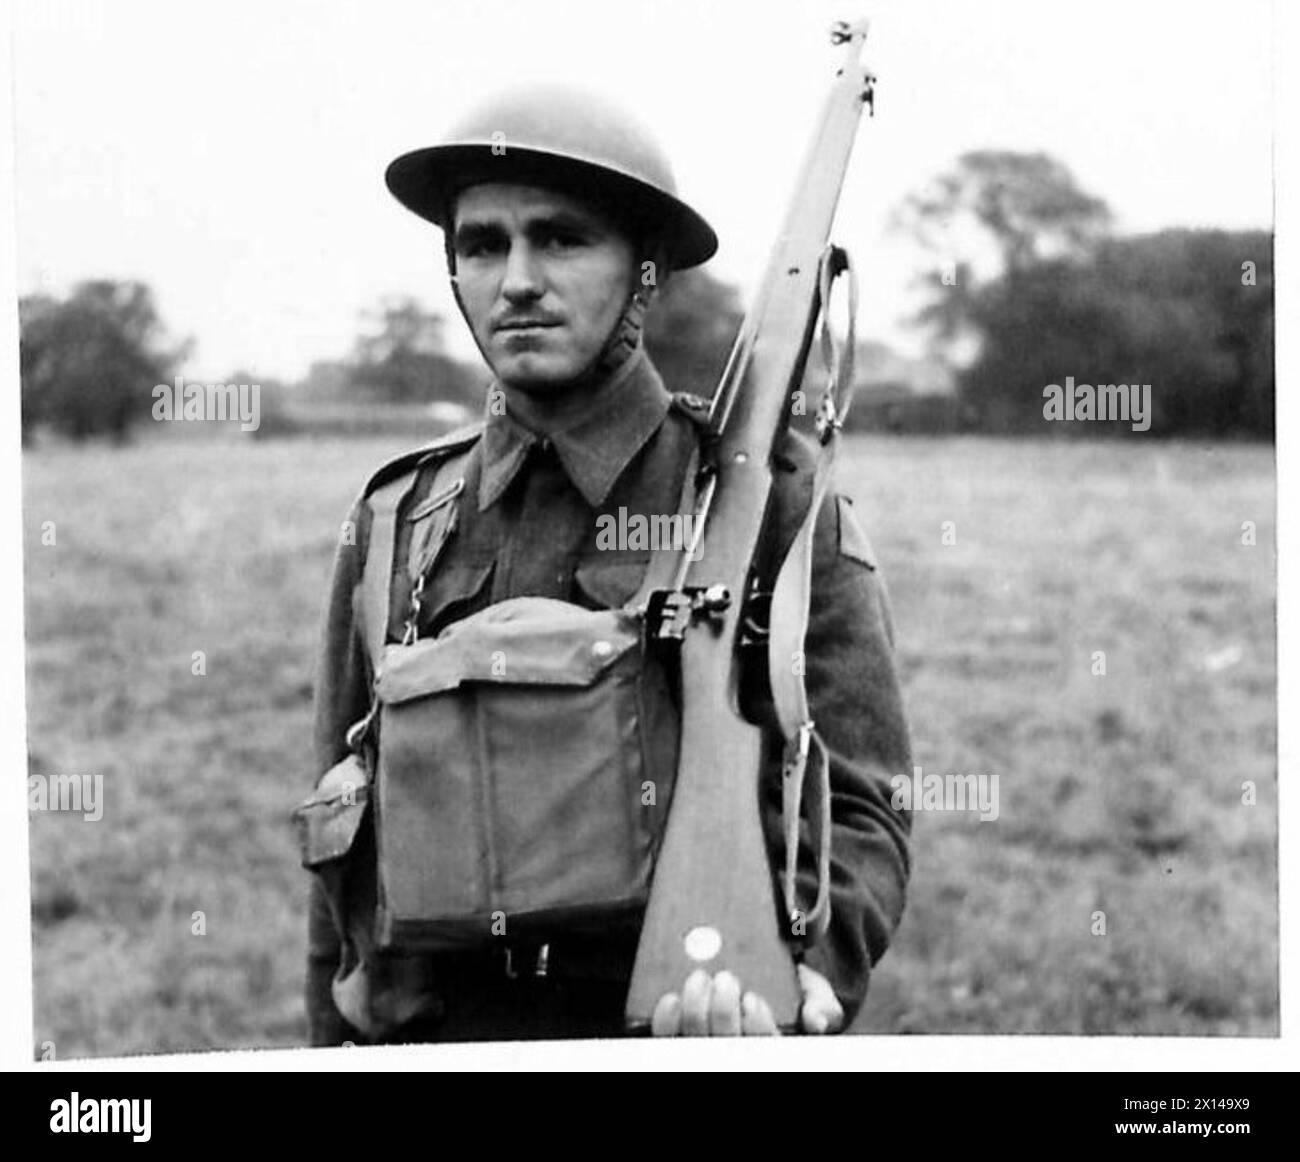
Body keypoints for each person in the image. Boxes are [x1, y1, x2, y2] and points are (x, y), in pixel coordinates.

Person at [304, 84, 912, 1043]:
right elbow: (342, 859)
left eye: (563, 238)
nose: (517, 281)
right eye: (482, 244)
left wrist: (799, 982)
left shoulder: (775, 511)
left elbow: (864, 809)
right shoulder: (397, 519)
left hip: (680, 1036)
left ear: (644, 272)